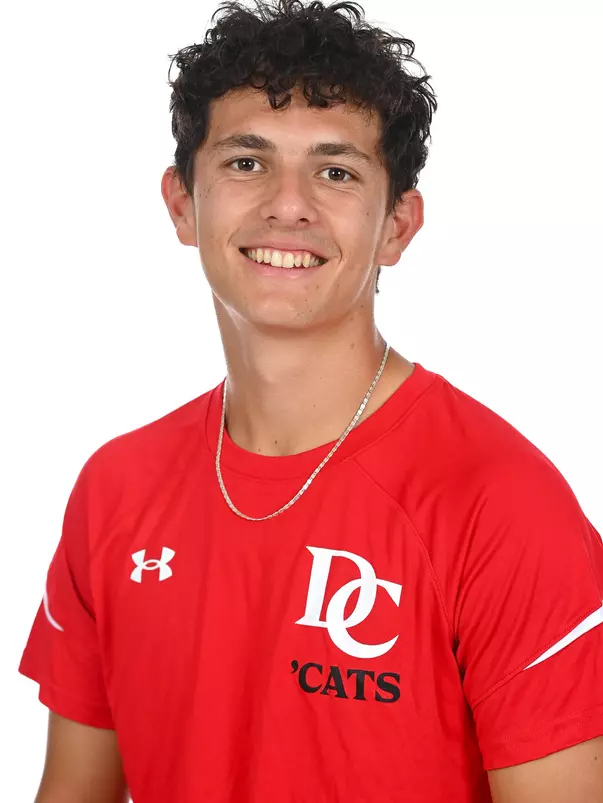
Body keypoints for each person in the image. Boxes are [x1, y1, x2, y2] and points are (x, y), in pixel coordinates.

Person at [19, 1, 603, 801]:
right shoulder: (114, 488)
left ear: (397, 226)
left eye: (335, 172)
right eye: (245, 162)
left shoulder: (501, 505)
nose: (286, 205)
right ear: (182, 203)